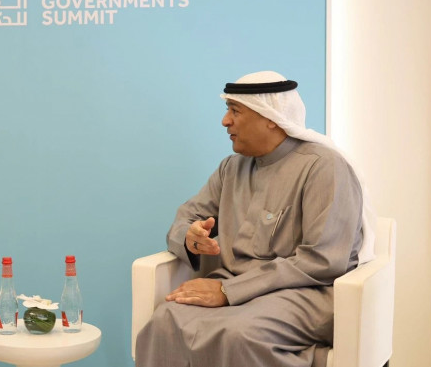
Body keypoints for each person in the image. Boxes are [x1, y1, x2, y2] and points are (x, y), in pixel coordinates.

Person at [135, 71, 375, 367]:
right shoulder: (231, 169)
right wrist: (190, 236)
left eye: (235, 111)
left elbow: (323, 260)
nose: (225, 121)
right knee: (165, 321)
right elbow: (187, 217)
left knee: (240, 334)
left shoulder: (324, 167)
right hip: (235, 283)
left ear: (270, 117)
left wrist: (228, 291)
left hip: (305, 293)